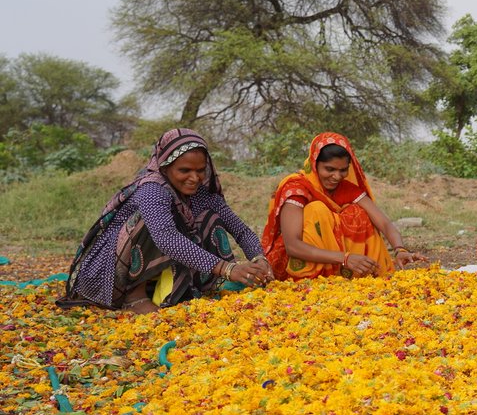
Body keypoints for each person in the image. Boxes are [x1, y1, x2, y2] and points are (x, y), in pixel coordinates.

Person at [58, 128, 272, 313]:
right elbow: (166, 238)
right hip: (114, 273)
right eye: (184, 170)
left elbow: (241, 230)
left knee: (209, 216)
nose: (195, 178)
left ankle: (189, 286)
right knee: (150, 223)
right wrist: (227, 269)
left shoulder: (202, 193)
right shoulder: (152, 189)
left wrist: (258, 259)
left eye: (200, 170)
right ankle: (135, 297)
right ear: (165, 166)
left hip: (158, 268)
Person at [261, 132, 425, 280]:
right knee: (317, 210)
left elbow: (384, 223)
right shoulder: (296, 189)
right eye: (329, 169)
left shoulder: (346, 188)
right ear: (314, 163)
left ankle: (361, 273)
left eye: (343, 170)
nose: (336, 176)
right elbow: (292, 246)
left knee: (359, 213)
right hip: (294, 268)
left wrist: (400, 250)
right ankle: (319, 278)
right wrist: (345, 258)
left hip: (339, 264)